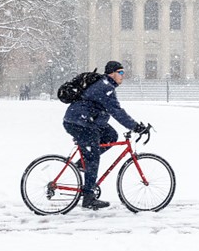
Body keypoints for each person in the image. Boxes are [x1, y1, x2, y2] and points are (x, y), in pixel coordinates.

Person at [62, 61, 144, 210]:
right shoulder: (105, 87)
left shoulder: (106, 85)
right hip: (79, 122)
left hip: (85, 120)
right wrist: (135, 126)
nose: (122, 76)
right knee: (93, 157)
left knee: (111, 135)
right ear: (112, 73)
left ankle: (82, 163)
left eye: (123, 72)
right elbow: (117, 111)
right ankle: (88, 197)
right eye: (120, 72)